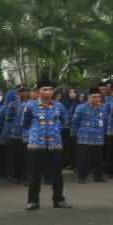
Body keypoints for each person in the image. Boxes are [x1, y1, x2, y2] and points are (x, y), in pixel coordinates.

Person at [23, 82, 71, 210]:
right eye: (45, 89)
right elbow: (24, 122)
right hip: (36, 145)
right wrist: (35, 132)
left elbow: (64, 120)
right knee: (34, 174)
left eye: (50, 89)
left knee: (57, 174)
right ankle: (33, 201)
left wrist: (55, 130)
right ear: (38, 92)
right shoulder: (30, 105)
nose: (48, 92)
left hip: (55, 144)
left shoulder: (58, 106)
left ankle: (59, 200)